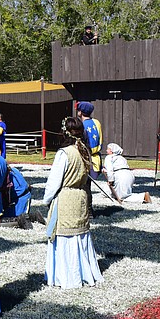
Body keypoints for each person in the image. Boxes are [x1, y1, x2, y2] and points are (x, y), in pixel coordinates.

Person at [43, 117, 103, 289]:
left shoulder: (65, 153)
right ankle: (84, 272)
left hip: (66, 198)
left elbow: (55, 181)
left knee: (66, 236)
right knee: (80, 235)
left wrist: (47, 199)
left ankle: (66, 276)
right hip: (81, 196)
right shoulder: (84, 151)